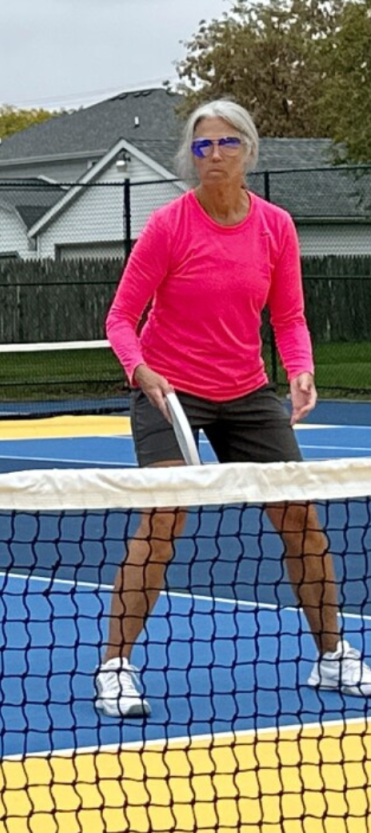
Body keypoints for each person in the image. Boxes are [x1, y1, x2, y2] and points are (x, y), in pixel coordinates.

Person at [97, 99, 371, 717]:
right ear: (190, 158)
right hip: (171, 395)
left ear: (247, 151)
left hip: (249, 395)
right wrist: (141, 372)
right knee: (162, 522)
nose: (214, 155)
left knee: (301, 519)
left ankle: (332, 656)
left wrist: (300, 370)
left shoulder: (276, 227)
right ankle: (114, 666)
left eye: (226, 144)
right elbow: (120, 318)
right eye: (202, 146)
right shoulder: (170, 226)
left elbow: (290, 317)